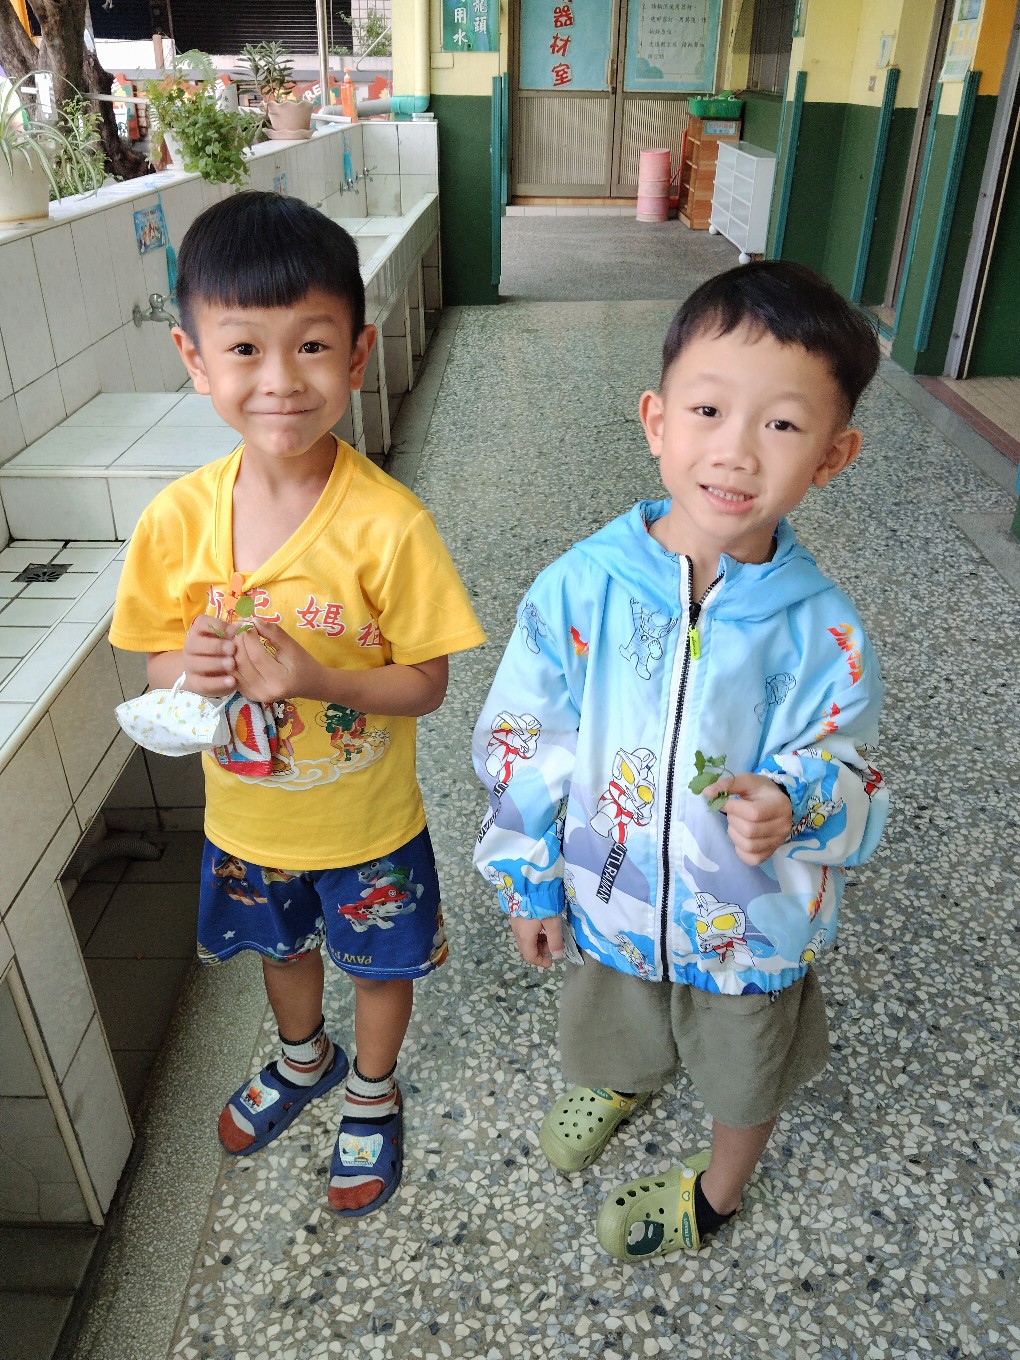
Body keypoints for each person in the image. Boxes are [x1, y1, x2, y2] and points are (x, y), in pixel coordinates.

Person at [473, 260, 889, 1260]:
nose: (735, 451)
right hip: (609, 895)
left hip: (748, 929)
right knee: (614, 1017)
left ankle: (720, 1188)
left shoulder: (822, 631)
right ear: (657, 421)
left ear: (833, 455)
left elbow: (856, 770)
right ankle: (624, 1079)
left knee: (745, 1068)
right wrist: (529, 880)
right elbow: (525, 736)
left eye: (781, 424)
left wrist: (796, 799)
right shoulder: (581, 589)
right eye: (708, 410)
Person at [110, 191, 485, 1217]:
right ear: (195, 360)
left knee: (378, 962)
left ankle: (373, 1086)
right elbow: (153, 664)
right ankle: (304, 1058)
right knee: (280, 952)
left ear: (357, 354)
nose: (280, 379)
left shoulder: (390, 527)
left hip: (369, 824)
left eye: (312, 345)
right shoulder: (175, 522)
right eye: (244, 349)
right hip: (249, 821)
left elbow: (427, 683)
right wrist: (189, 667)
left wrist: (315, 679)